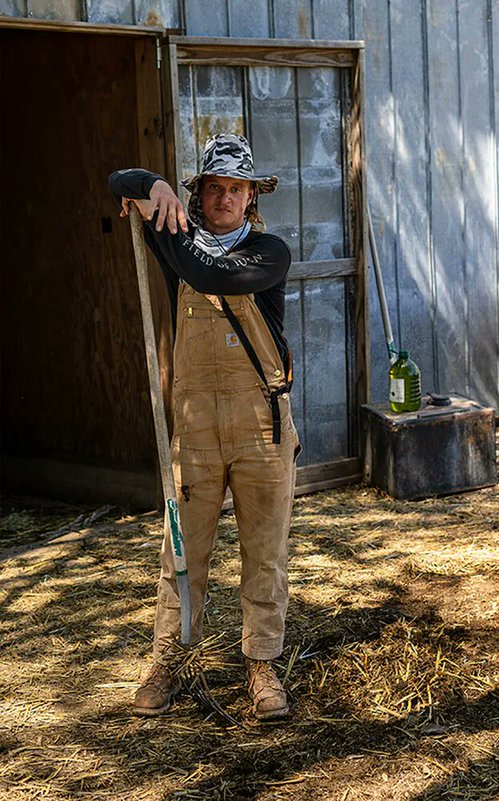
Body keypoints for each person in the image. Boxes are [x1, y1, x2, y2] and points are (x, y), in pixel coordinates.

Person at [109, 133, 300, 721]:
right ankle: (168, 658)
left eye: (234, 189)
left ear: (251, 198)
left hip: (260, 428)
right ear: (200, 195)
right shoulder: (178, 243)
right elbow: (119, 180)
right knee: (182, 552)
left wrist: (162, 220)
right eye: (212, 187)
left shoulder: (269, 253)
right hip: (192, 428)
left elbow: (211, 274)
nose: (222, 198)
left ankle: (262, 665)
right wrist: (152, 185)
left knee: (264, 552)